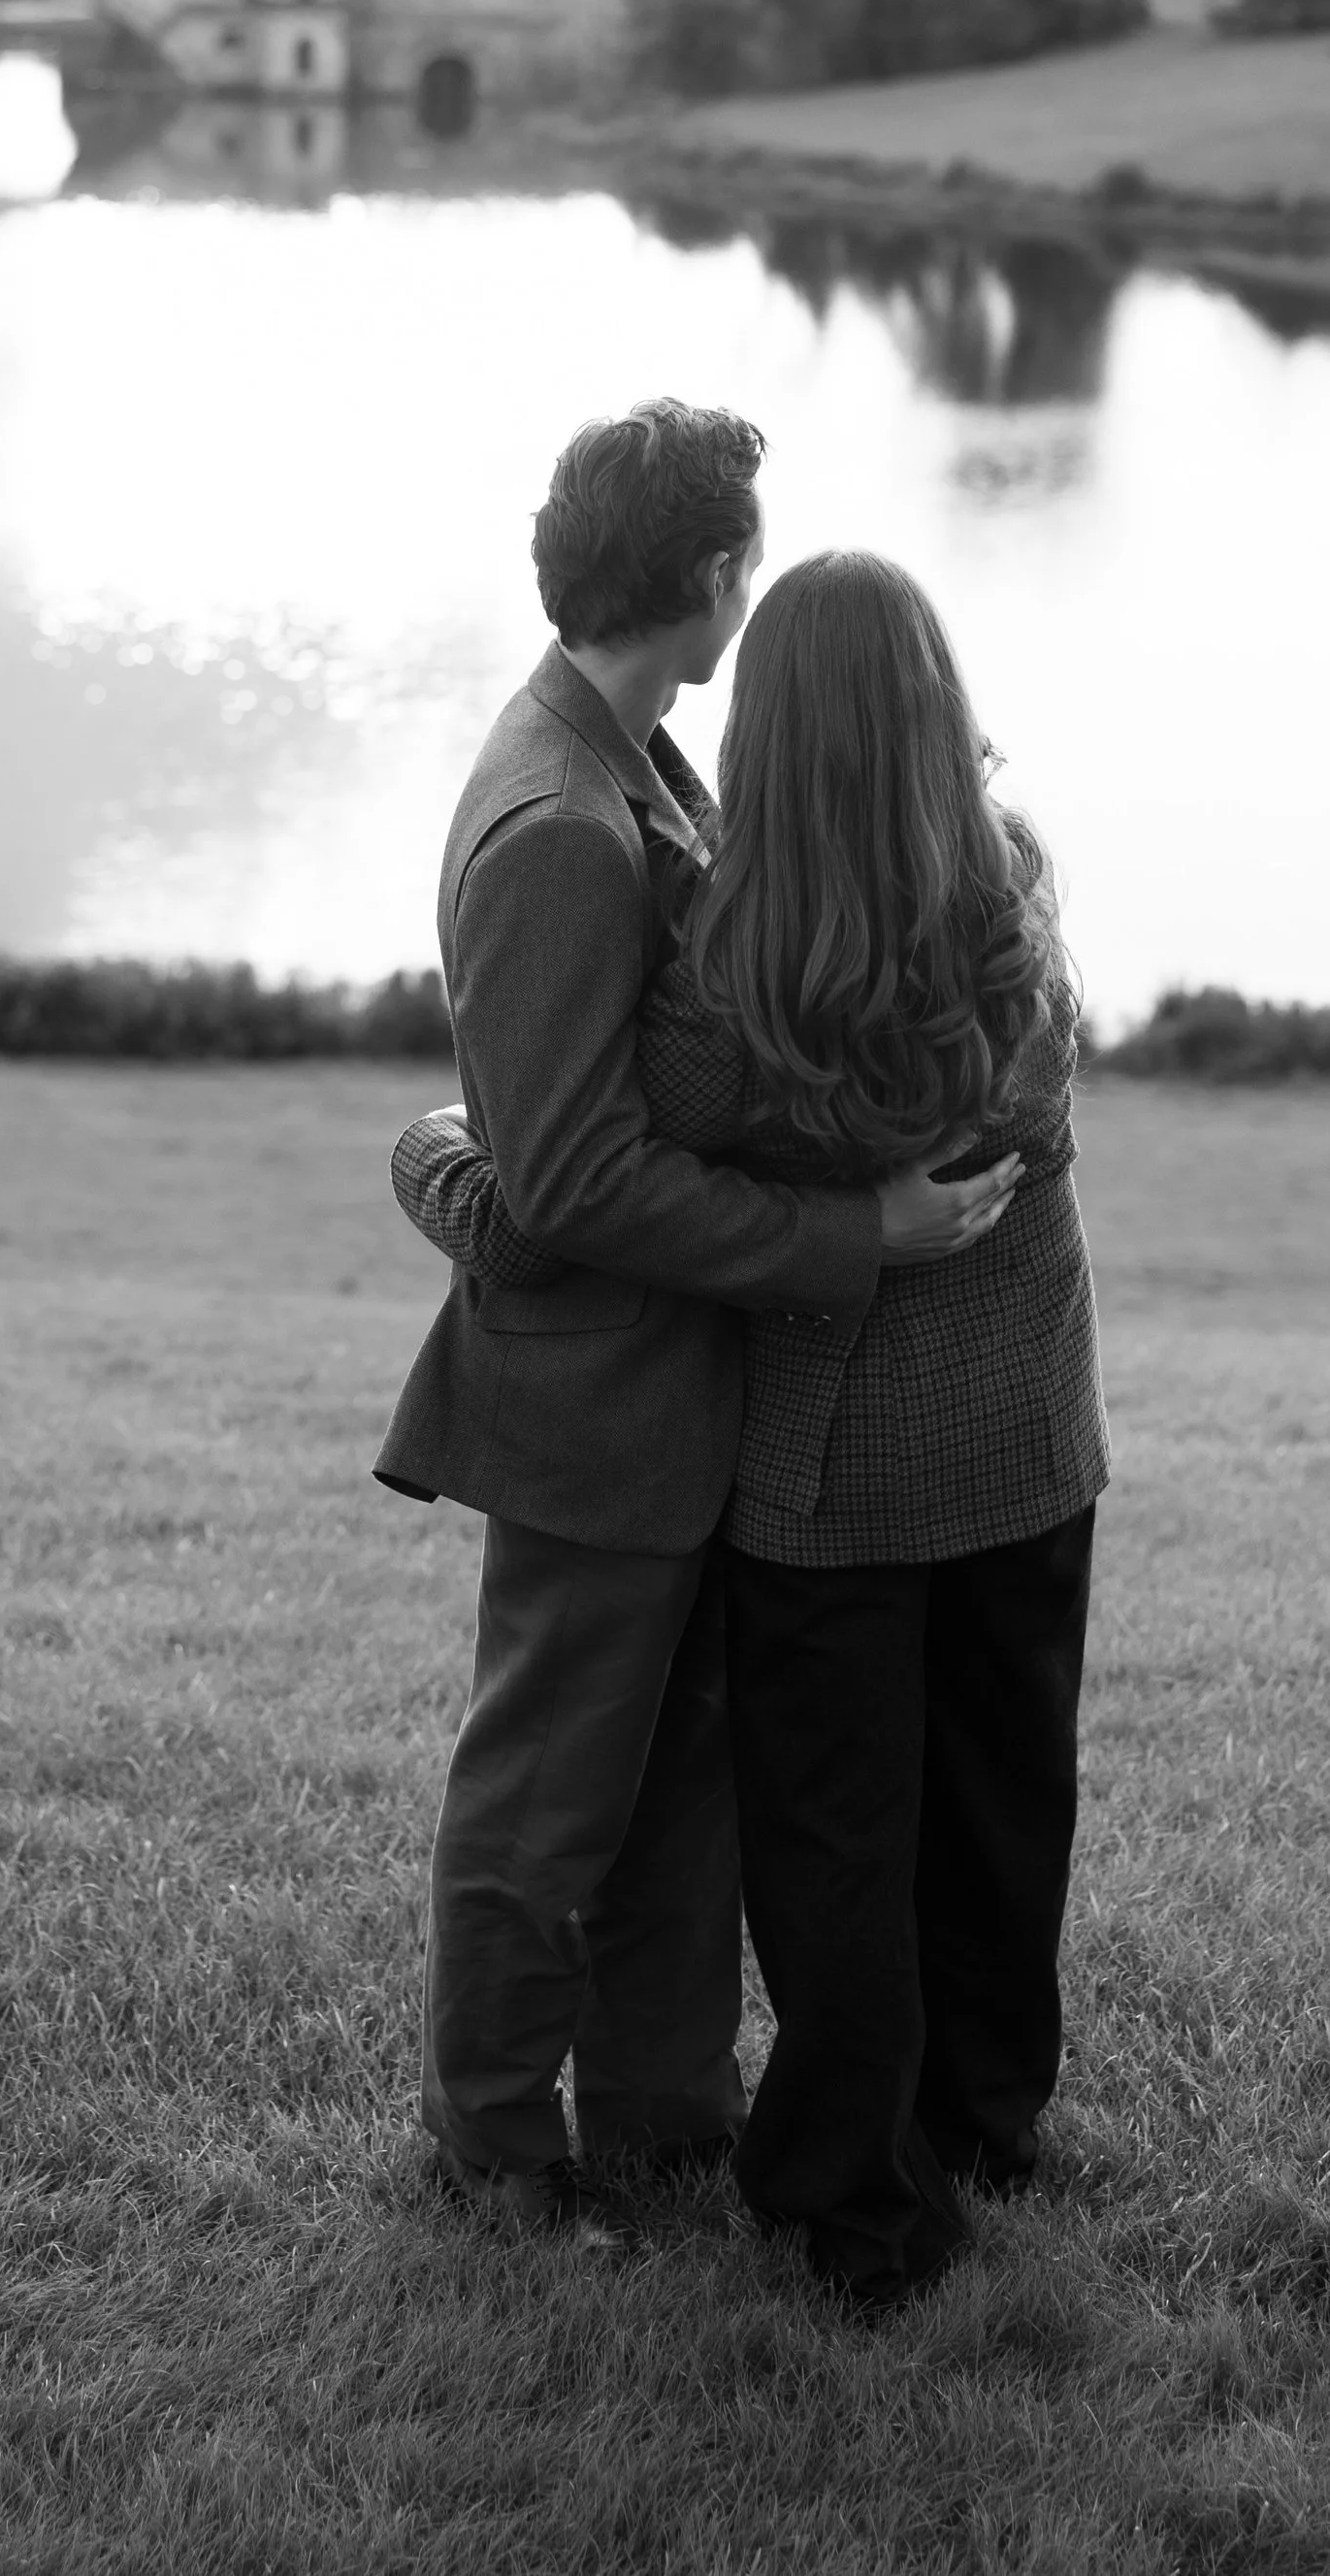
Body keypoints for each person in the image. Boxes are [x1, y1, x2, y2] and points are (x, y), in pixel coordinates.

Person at [393, 549, 1108, 2312]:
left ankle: (851, 2198)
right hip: (1026, 1433)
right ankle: (989, 2123)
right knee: (1006, 1801)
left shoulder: (741, 953)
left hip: (837, 1466)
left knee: (836, 1838)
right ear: (939, 704)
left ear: (772, 720)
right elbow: (1023, 1111)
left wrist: (440, 1162)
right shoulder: (1010, 884)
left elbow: (583, 1183)